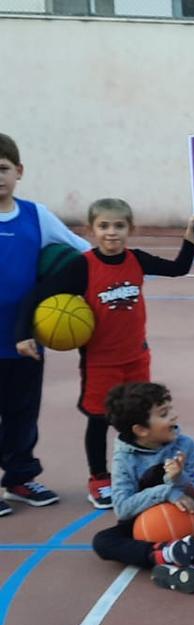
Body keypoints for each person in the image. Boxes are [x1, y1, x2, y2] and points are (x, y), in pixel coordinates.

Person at [16, 198, 194, 510]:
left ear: (130, 229)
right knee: (99, 420)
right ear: (91, 230)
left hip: (136, 357)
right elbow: (38, 295)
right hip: (101, 361)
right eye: (103, 226)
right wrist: (23, 334)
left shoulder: (136, 259)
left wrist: (190, 236)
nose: (111, 233)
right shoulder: (82, 266)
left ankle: (141, 472)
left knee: (138, 420)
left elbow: (178, 269)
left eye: (118, 226)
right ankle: (99, 479)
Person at [0, 132, 91, 517]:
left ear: (19, 171)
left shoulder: (36, 216)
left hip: (23, 337)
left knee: (22, 411)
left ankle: (20, 477)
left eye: (3, 169)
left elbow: (84, 253)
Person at [91, 382, 194, 593]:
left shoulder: (184, 445)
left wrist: (179, 478)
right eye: (164, 414)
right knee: (102, 541)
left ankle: (189, 563)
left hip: (186, 518)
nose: (174, 416)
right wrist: (167, 491)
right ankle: (164, 555)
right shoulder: (124, 458)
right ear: (141, 430)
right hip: (142, 524)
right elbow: (123, 509)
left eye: (170, 409)